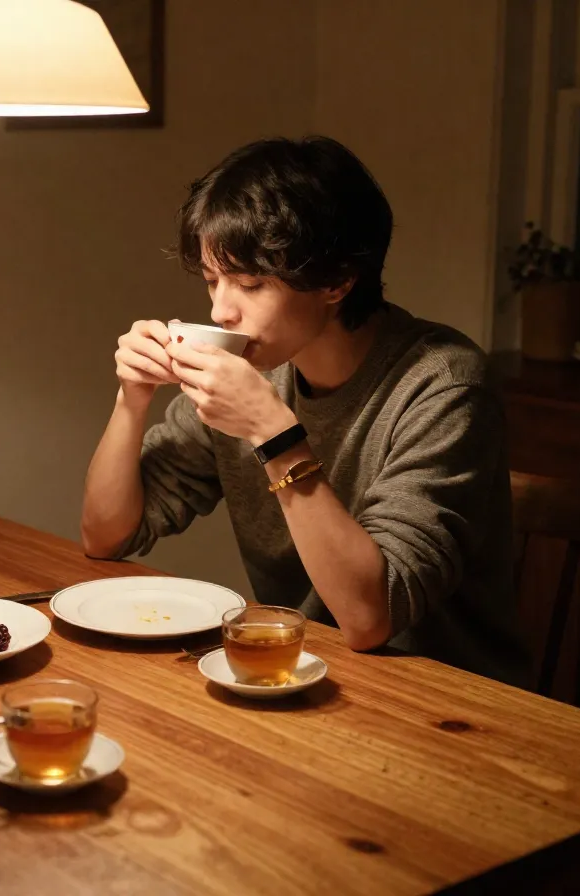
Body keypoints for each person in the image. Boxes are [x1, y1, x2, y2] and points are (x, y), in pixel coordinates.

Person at [80, 135, 531, 687]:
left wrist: (272, 432)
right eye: (211, 279)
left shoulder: (444, 384)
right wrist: (133, 396)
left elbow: (371, 619)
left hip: (448, 697)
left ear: (338, 280)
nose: (221, 310)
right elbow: (106, 536)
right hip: (304, 673)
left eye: (251, 283)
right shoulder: (257, 368)